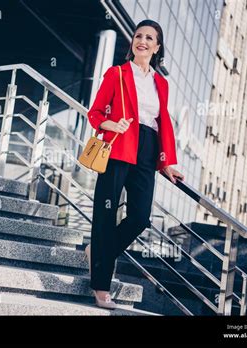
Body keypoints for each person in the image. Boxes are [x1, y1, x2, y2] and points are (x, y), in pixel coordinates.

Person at [85, 19, 185, 309]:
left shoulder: (161, 83)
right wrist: (111, 124)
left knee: (140, 217)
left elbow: (162, 121)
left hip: (148, 150)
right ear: (133, 42)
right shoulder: (116, 73)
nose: (142, 40)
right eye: (138, 35)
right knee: (105, 217)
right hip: (117, 147)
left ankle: (98, 254)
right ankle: (101, 287)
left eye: (149, 38)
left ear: (157, 47)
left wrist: (166, 161)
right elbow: (94, 113)